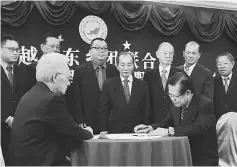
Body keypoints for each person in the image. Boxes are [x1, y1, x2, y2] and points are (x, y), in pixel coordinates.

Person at [5, 53, 93, 166]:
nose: (69, 82)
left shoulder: (32, 93)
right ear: (55, 77)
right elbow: (73, 132)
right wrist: (89, 132)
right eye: (68, 77)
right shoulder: (51, 100)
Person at [134, 72, 218, 166]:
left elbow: (199, 128)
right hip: (181, 155)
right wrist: (151, 128)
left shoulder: (205, 104)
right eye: (170, 95)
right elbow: (168, 121)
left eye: (175, 96)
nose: (172, 99)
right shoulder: (177, 103)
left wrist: (170, 131)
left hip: (201, 159)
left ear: (188, 93)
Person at [70, 38, 119, 134]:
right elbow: (76, 98)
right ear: (90, 51)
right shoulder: (80, 71)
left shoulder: (114, 70)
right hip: (88, 122)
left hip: (111, 122)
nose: (102, 51)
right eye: (97, 48)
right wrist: (80, 120)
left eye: (104, 48)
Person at [100, 52, 150, 133]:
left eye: (129, 65)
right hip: (114, 131)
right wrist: (103, 129)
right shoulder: (108, 84)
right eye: (122, 65)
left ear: (134, 65)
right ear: (117, 66)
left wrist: (145, 128)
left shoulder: (142, 85)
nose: (126, 68)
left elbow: (146, 110)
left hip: (137, 131)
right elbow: (103, 110)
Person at [1, 35, 29, 158]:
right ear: (0, 49)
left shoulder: (23, 72)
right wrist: (6, 118)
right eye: (11, 49)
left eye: (17, 50)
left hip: (19, 128)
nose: (15, 53)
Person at [143, 42, 181, 123]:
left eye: (171, 54)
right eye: (165, 53)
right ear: (157, 54)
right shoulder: (148, 75)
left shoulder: (180, 74)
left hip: (175, 120)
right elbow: (146, 100)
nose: (168, 56)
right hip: (154, 120)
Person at [214, 52, 237, 120]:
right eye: (219, 64)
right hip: (217, 123)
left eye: (225, 63)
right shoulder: (212, 82)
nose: (222, 66)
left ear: (232, 64)